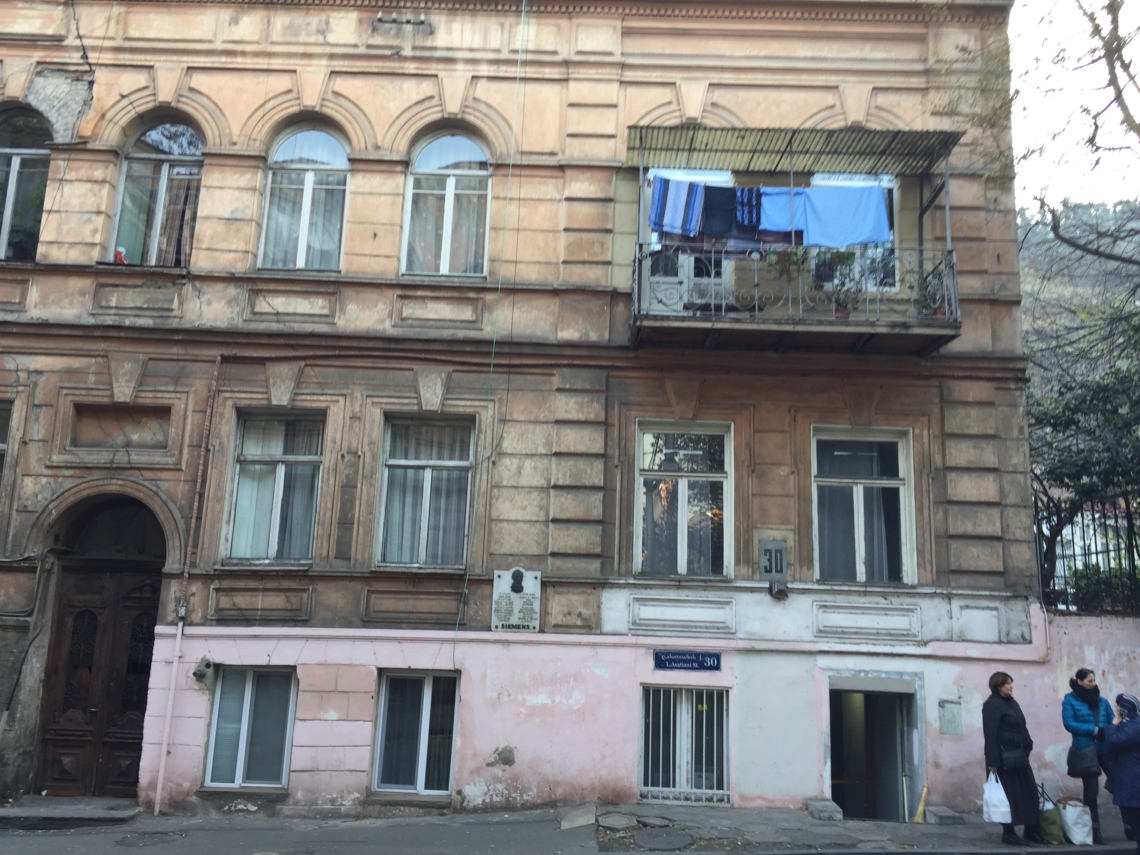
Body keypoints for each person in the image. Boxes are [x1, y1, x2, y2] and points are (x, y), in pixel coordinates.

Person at [983, 671, 1050, 845]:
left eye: (1011, 682)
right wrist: (993, 762)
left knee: (1030, 793)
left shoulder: (1012, 703)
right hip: (1003, 759)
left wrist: (1028, 745)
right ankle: (1009, 833)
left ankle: (1032, 830)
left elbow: (1022, 726)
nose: (1011, 686)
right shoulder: (992, 705)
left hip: (1019, 756)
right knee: (1009, 797)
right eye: (1007, 683)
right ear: (998, 686)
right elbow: (990, 734)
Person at [1063, 668, 1115, 844]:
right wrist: (1094, 730)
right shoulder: (1069, 700)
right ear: (1079, 681)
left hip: (1105, 748)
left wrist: (1109, 731)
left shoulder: (1102, 701)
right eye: (1089, 681)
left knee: (1120, 782)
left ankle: (1130, 826)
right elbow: (1069, 724)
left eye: (1094, 680)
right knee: (1091, 792)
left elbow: (1112, 721)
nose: (1093, 684)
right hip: (1085, 749)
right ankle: (1094, 830)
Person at [1107, 694, 1140, 854]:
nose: (1116, 708)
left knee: (1135, 817)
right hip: (1128, 774)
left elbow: (1114, 741)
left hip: (1132, 776)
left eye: (1119, 705)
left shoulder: (1134, 726)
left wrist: (1113, 724)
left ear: (1125, 707)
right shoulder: (1130, 724)